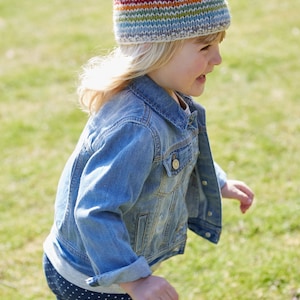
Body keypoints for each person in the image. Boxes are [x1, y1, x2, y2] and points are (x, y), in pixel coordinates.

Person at [43, 1, 254, 299]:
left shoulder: (164, 96)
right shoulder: (136, 126)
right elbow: (94, 211)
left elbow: (174, 154)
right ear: (158, 49)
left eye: (219, 43)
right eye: (205, 47)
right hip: (94, 276)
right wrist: (137, 282)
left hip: (108, 266)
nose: (218, 58)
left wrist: (219, 182)